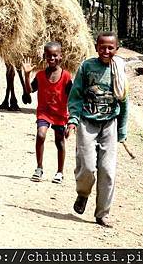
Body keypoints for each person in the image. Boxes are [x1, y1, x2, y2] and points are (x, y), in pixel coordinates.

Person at [67, 31, 129, 228]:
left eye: (111, 48)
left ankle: (102, 213)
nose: (106, 51)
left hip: (109, 123)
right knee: (86, 166)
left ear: (116, 49)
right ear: (96, 47)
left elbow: (124, 101)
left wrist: (122, 129)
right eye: (102, 47)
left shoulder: (119, 69)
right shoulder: (87, 67)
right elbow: (76, 94)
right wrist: (73, 119)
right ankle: (83, 193)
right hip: (87, 121)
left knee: (108, 170)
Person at [21, 42, 73, 183]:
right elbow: (29, 91)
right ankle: (39, 167)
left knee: (59, 142)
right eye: (49, 56)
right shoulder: (40, 75)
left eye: (55, 55)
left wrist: (71, 121)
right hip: (44, 112)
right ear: (44, 56)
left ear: (61, 57)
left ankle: (60, 172)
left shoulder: (66, 77)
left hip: (60, 114)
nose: (52, 58)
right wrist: (26, 76)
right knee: (40, 134)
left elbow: (73, 98)